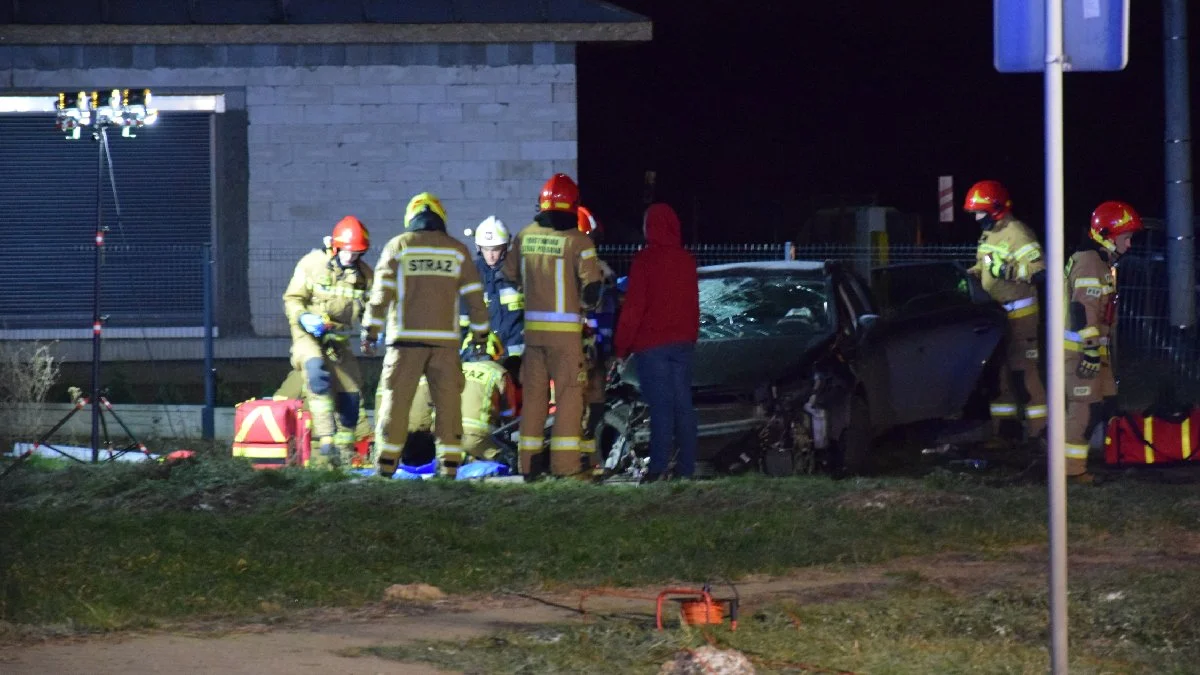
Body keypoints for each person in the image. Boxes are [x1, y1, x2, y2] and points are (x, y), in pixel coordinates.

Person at [362, 192, 490, 478]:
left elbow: (381, 293)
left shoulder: (399, 246)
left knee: (396, 404)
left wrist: (370, 330)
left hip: (405, 343)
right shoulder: (457, 250)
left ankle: (385, 466)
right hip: (445, 343)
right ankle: (449, 468)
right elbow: (475, 297)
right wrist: (481, 336)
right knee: (448, 406)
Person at [502, 174, 604, 478]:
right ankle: (565, 467)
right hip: (566, 339)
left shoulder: (524, 236)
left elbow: (509, 275)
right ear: (573, 205)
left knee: (533, 402)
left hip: (533, 337)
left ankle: (529, 467)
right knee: (569, 401)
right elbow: (592, 292)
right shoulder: (579, 241)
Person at [614, 202, 700, 482]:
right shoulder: (686, 260)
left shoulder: (645, 261)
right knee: (683, 405)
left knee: (661, 407)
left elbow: (634, 308)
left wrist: (621, 347)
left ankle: (658, 468)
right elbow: (693, 304)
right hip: (682, 344)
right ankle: (687, 467)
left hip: (652, 346)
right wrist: (690, 336)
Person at [282, 216, 373, 468]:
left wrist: (373, 333)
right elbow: (292, 299)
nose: (351, 258)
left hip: (338, 343)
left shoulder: (364, 275)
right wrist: (304, 317)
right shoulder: (311, 264)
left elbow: (371, 310)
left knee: (352, 397)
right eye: (347, 252)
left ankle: (343, 453)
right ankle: (326, 442)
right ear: (335, 247)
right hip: (307, 335)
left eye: (357, 253)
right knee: (316, 373)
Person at [963, 180, 1048, 447]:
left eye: (980, 212)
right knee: (999, 376)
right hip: (997, 317)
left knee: (1024, 374)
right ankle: (1005, 433)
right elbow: (984, 266)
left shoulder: (1017, 233)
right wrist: (968, 277)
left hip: (1021, 317)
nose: (977, 218)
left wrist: (1006, 273)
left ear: (997, 209)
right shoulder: (990, 235)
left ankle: (1041, 433)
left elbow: (1040, 272)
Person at [1064, 200, 1141, 481]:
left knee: (1106, 404)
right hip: (1082, 354)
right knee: (1084, 410)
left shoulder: (1100, 262)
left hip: (1096, 352)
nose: (1129, 245)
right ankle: (1071, 471)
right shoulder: (1089, 263)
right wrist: (1091, 353)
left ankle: (1106, 456)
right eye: (1126, 237)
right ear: (1108, 234)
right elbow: (1082, 311)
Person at [577, 205, 618, 467]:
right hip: (579, 352)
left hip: (593, 354)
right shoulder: (581, 270)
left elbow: (608, 312)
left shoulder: (601, 271)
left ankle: (588, 460)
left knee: (593, 409)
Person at [273, 368, 372, 465]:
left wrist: (366, 443)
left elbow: (358, 414)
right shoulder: (302, 374)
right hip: (314, 447)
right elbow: (280, 408)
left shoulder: (304, 372)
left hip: (337, 450)